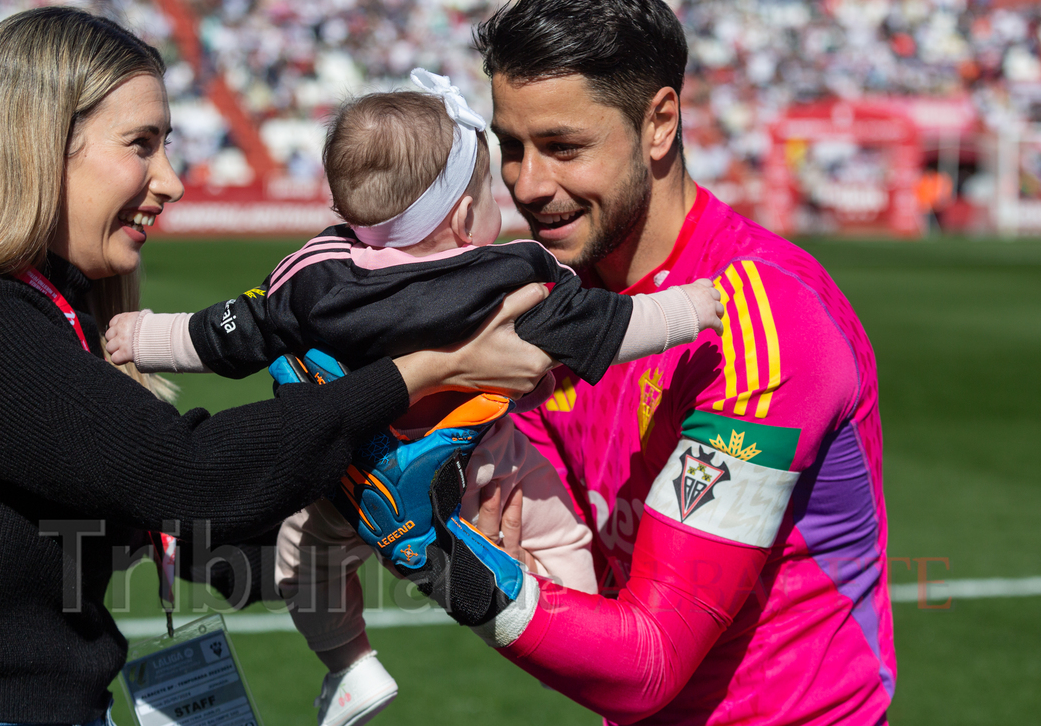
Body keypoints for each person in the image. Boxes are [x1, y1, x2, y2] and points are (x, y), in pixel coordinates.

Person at [0, 7, 553, 726]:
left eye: (168, 146)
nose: (172, 181)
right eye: (141, 145)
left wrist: (385, 522)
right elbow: (191, 477)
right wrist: (424, 369)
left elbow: (196, 536)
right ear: (39, 147)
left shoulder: (46, 307)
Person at [337, 0, 894, 725]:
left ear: (659, 124)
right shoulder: (543, 302)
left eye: (563, 147)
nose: (528, 184)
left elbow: (646, 664)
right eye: (511, 147)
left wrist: (439, 558)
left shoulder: (760, 326)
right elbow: (561, 586)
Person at [104, 69, 723, 726]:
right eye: (485, 193)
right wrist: (690, 307)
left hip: (349, 477)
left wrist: (144, 335)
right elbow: (614, 326)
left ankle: (351, 666)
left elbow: (226, 334)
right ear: (462, 215)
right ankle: (584, 646)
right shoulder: (509, 275)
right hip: (487, 465)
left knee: (304, 559)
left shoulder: (316, 277)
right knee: (558, 531)